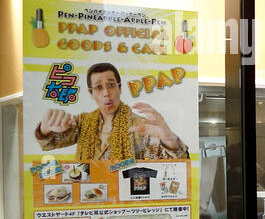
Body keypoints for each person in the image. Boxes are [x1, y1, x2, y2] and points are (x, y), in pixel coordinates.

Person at [34, 62, 188, 161]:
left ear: (120, 88)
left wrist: (171, 140)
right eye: (99, 87)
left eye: (111, 85)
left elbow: (175, 161)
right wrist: (45, 130)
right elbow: (49, 143)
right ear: (91, 93)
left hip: (123, 203)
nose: (106, 92)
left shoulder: (139, 126)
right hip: (87, 198)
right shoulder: (81, 122)